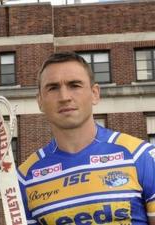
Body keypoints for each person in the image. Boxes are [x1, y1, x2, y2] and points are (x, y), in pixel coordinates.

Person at [18, 52, 155, 225]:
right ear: (40, 101)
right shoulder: (25, 176)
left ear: (95, 93)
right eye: (53, 88)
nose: (64, 97)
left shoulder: (141, 156)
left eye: (74, 85)